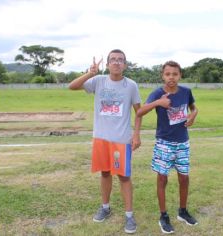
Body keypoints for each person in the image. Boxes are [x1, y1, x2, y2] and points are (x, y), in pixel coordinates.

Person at [69, 49, 142, 234]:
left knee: (124, 177)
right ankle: (105, 207)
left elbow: (138, 112)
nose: (116, 63)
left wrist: (136, 135)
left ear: (125, 64)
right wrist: (90, 73)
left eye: (120, 60)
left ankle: (129, 215)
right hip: (101, 138)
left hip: (121, 140)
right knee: (105, 173)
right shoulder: (98, 81)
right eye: (113, 60)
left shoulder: (131, 85)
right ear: (108, 64)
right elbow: (72, 86)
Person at [136, 60, 198, 234]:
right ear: (162, 76)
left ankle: (183, 212)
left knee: (184, 178)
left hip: (183, 142)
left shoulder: (186, 92)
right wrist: (158, 103)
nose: (171, 77)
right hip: (164, 143)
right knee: (162, 179)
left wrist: (193, 115)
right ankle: (163, 216)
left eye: (175, 74)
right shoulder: (157, 93)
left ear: (180, 75)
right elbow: (140, 112)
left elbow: (193, 108)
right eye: (168, 74)